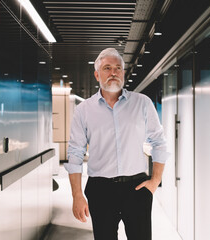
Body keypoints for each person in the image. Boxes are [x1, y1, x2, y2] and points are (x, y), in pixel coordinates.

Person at [64, 48, 168, 240]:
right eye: (107, 68)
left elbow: (159, 143)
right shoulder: (84, 110)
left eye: (118, 68)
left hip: (136, 188)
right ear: (97, 74)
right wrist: (77, 195)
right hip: (100, 190)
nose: (113, 73)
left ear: (123, 72)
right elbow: (75, 153)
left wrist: (155, 182)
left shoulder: (142, 103)